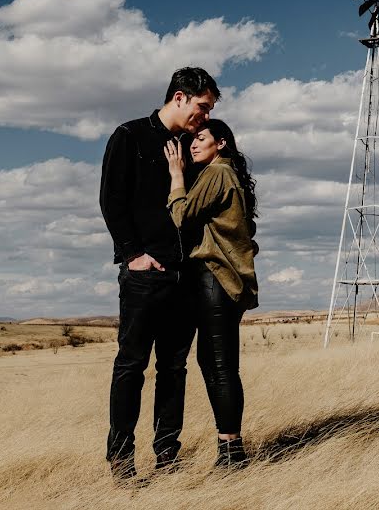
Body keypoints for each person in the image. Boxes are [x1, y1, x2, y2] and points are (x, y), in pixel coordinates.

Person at [99, 66, 220, 483]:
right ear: (180, 97)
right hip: (145, 275)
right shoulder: (129, 136)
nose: (204, 118)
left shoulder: (194, 146)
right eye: (202, 107)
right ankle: (121, 460)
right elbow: (111, 201)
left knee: (174, 368)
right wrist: (132, 255)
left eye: (209, 112)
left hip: (186, 275)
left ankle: (168, 455)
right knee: (131, 365)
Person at [164, 118, 259, 468]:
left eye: (200, 138)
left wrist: (176, 176)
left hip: (215, 278)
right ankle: (229, 447)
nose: (192, 144)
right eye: (190, 140)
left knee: (220, 365)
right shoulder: (227, 174)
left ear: (221, 143)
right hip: (223, 281)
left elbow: (183, 216)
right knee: (215, 362)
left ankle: (232, 452)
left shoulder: (217, 173)